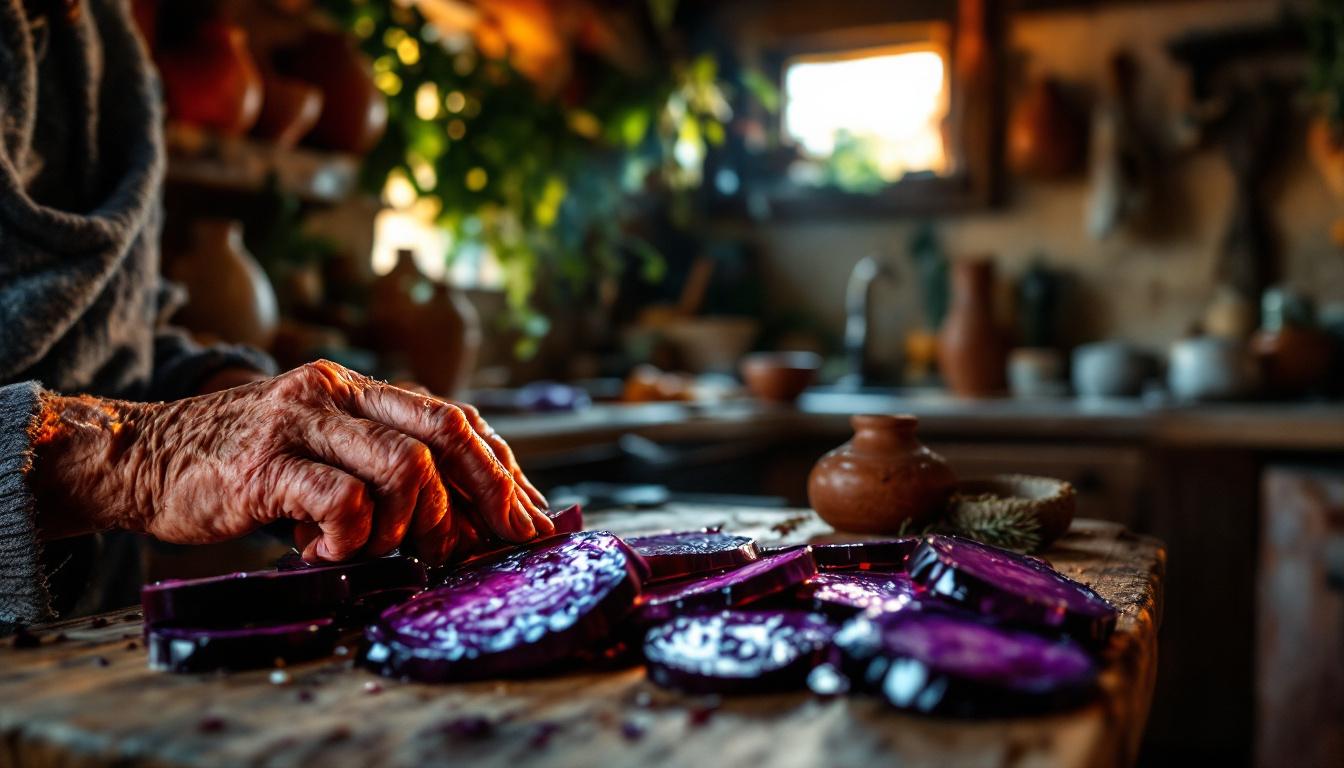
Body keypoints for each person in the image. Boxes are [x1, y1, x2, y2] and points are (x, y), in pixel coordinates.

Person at [0, 0, 551, 627]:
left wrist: (295, 426)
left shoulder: (110, 41)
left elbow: (117, 347)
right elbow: (133, 439)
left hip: (74, 654)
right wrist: (136, 459)